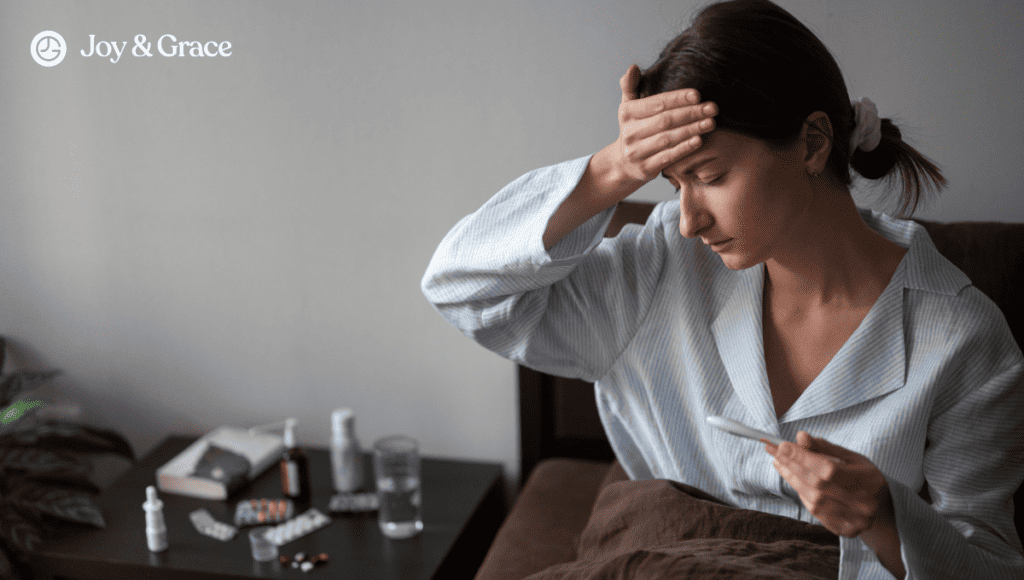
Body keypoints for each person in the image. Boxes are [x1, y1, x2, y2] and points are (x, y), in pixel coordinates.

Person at [421, 0, 1024, 578]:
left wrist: (883, 516)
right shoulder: (663, 266)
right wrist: (614, 169)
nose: (689, 219)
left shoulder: (963, 342)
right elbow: (461, 289)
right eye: (672, 183)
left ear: (814, 143)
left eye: (710, 177)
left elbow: (989, 570)